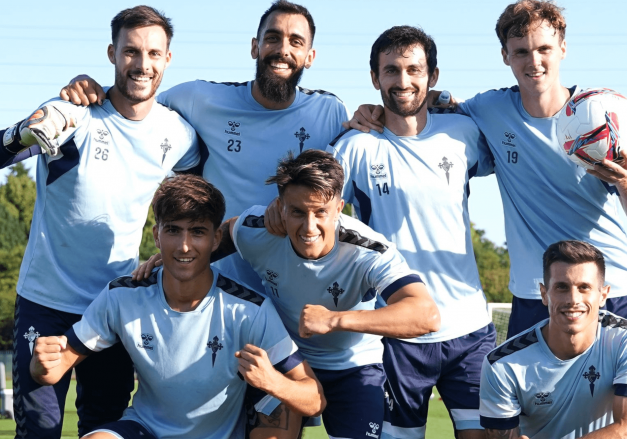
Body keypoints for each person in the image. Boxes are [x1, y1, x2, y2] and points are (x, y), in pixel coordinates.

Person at [346, 0, 627, 338]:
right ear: (506, 56)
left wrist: (626, 181)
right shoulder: (489, 110)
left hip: (609, 287)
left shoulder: (603, 118)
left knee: (619, 392)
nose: (533, 61)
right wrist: (375, 108)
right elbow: (422, 103)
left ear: (563, 49)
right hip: (533, 293)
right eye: (521, 51)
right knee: (533, 393)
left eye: (544, 49)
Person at [134, 149, 439, 439]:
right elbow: (219, 236)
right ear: (280, 207)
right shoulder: (257, 230)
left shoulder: (369, 251)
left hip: (352, 367)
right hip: (284, 362)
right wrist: (169, 258)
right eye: (297, 212)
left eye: (321, 212)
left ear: (339, 209)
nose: (309, 226)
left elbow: (425, 314)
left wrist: (335, 320)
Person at [0, 6, 201, 438]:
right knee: (39, 430)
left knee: (103, 429)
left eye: (153, 53)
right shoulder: (73, 113)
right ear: (112, 53)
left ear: (168, 59)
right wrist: (22, 132)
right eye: (131, 51)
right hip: (46, 302)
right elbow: (8, 149)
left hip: (114, 308)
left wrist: (163, 256)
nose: (142, 64)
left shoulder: (178, 134)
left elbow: (196, 199)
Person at [59, 0, 350, 294]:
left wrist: (373, 114)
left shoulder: (330, 112)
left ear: (310, 56)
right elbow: (134, 98)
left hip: (297, 291)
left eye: (295, 42)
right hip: (219, 291)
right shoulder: (199, 99)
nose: (282, 50)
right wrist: (87, 87)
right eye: (272, 38)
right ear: (254, 47)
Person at [29, 174, 324, 439]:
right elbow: (53, 371)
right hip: (144, 429)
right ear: (156, 235)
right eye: (173, 230)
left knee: (285, 417)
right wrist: (41, 363)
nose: (184, 246)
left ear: (215, 238)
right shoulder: (122, 296)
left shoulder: (248, 309)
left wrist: (273, 381)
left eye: (197, 231)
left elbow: (314, 398)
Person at [323, 25, 496, 439]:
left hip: (469, 329)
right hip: (396, 331)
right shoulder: (354, 147)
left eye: (414, 70)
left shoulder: (463, 133)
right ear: (375, 78)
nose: (403, 81)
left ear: (432, 76)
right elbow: (316, 213)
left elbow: (516, 162)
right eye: (391, 71)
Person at [479, 240, 627, 439]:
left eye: (584, 287)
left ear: (603, 295)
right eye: (562, 287)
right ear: (544, 294)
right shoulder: (502, 364)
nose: (573, 299)